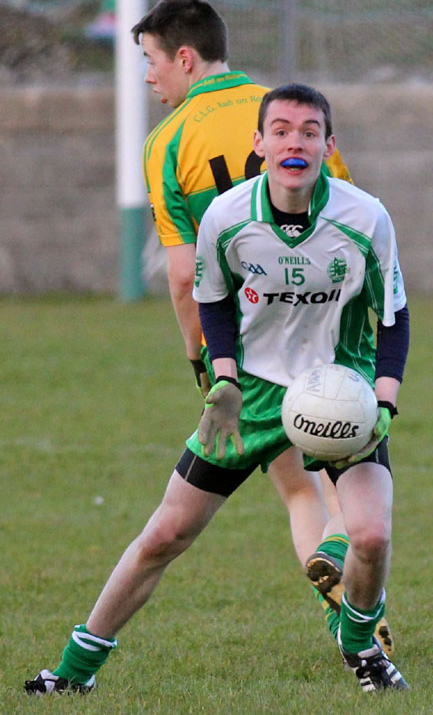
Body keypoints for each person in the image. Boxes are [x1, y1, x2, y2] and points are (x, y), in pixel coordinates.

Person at [24, 82, 409, 696]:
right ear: (259, 144)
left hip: (339, 391)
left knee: (370, 534)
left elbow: (393, 317)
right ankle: (72, 673)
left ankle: (361, 645)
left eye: (309, 132)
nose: (294, 142)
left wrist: (383, 399)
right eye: (280, 130)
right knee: (165, 534)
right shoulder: (228, 217)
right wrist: (222, 376)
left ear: (328, 147)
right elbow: (212, 303)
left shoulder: (365, 217)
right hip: (251, 396)